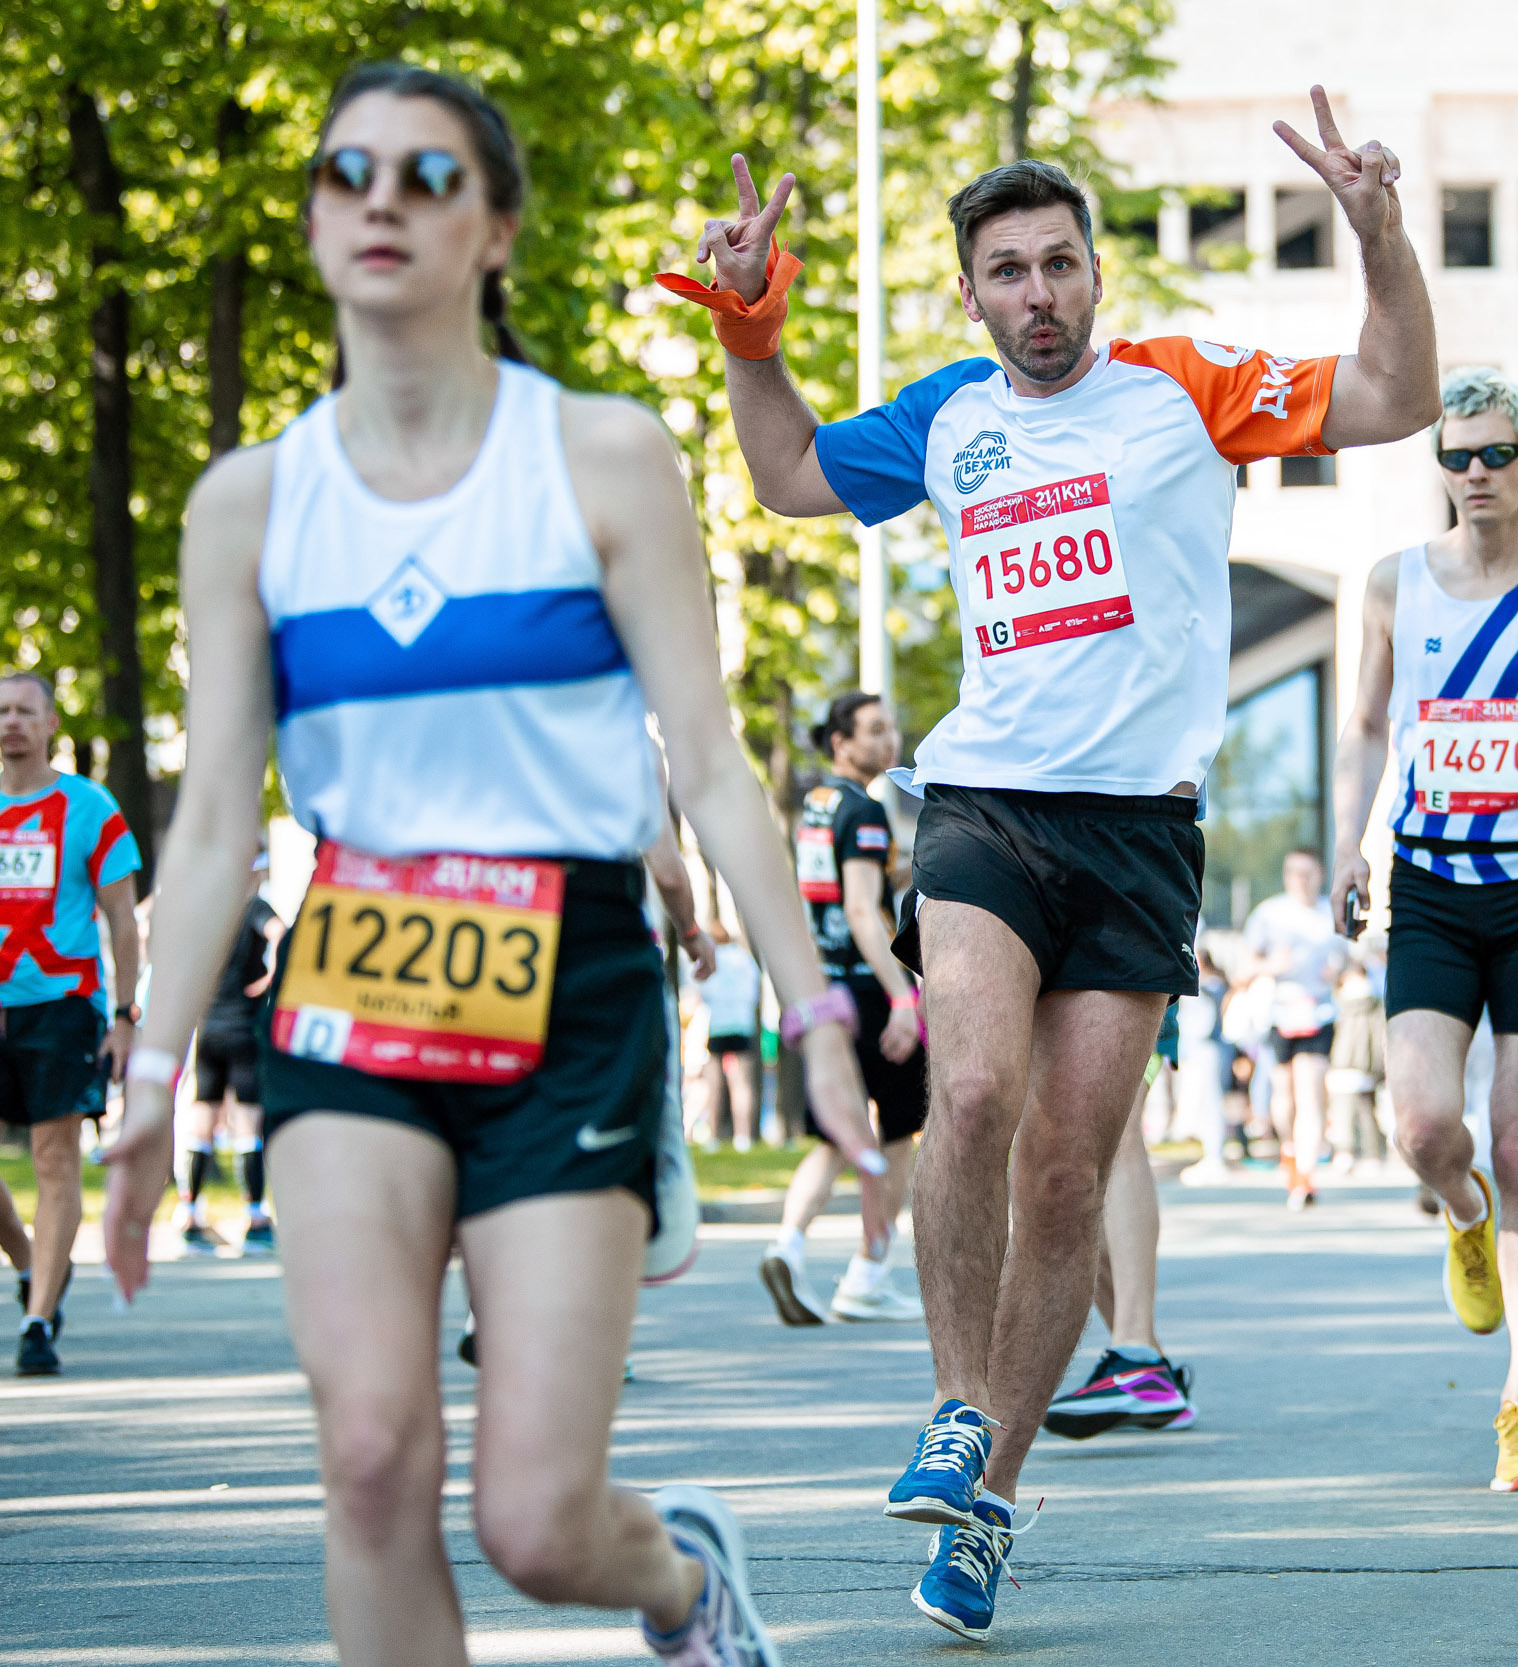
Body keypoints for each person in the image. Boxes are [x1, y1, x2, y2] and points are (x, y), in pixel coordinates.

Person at [102, 65, 888, 1664]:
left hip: (569, 976)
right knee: (375, 1454)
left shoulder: (599, 459)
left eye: (428, 175)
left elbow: (718, 771)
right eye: (347, 171)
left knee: (531, 1518)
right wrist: (153, 1076)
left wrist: (814, 1023)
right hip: (351, 967)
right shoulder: (248, 501)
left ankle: (682, 1579)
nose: (379, 196)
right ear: (318, 214)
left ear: (496, 228)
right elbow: (206, 826)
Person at [671, 85, 1437, 1638]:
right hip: (987, 802)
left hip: (1140, 824)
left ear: (1098, 274)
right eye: (1007, 270)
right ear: (972, 292)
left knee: (1071, 1168)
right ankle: (955, 1404)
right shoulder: (952, 415)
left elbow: (1393, 391)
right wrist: (750, 331)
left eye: (1059, 263)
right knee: (967, 1093)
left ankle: (992, 1495)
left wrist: (1380, 238)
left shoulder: (1186, 388)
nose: (1037, 293)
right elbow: (791, 477)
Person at [1330, 365, 1518, 1493]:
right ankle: (1460, 1215)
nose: (1471, 474)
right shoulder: (1390, 583)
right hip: (1429, 882)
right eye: (1453, 456)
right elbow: (1363, 725)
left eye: (1492, 454)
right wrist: (1351, 844)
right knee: (1422, 1129)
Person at [760, 691, 928, 1325]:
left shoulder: (817, 804)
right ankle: (868, 1269)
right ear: (840, 742)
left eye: (892, 727)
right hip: (867, 986)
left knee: (838, 1133)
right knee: (897, 1131)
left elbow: (846, 891)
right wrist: (900, 997)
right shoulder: (863, 810)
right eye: (875, 730)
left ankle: (790, 1244)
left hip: (823, 985)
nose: (890, 741)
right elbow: (862, 910)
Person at [0, 670, 141, 1376]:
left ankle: (36, 1321)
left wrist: (124, 1014)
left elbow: (122, 919)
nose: (11, 721)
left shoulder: (90, 807)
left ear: (52, 723)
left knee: (54, 1158)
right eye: (1, 710)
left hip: (61, 1004)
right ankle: (34, 1267)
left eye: (26, 710)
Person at [1042, 1001, 1197, 1439]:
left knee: (1115, 1116)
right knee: (1060, 1168)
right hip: (1043, 961)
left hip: (1132, 953)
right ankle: (1153, 1371)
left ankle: (1136, 1357)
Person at [178, 852, 288, 1257]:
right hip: (243, 1028)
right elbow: (280, 930)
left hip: (208, 1028)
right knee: (247, 1123)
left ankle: (189, 1215)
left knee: (201, 1119)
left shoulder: (208, 908)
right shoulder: (254, 906)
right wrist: (274, 972)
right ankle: (256, 1219)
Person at [1238, 849, 1347, 1210]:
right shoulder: (1269, 914)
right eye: (1292, 872)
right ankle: (1290, 1149)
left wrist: (1338, 972)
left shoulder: (1329, 913)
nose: (1300, 879)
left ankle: (1305, 1178)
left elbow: (1347, 960)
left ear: (1320, 875)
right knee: (1284, 1100)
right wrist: (1273, 965)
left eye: (1307, 873)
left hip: (1318, 1014)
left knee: (1311, 1094)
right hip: (1279, 1015)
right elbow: (1244, 968)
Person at [696, 927, 761, 1149]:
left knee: (714, 1081)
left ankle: (714, 1135)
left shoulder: (711, 957)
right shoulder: (744, 959)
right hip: (741, 1023)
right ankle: (742, 1135)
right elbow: (753, 991)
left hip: (718, 1024)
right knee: (742, 1082)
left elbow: (702, 990)